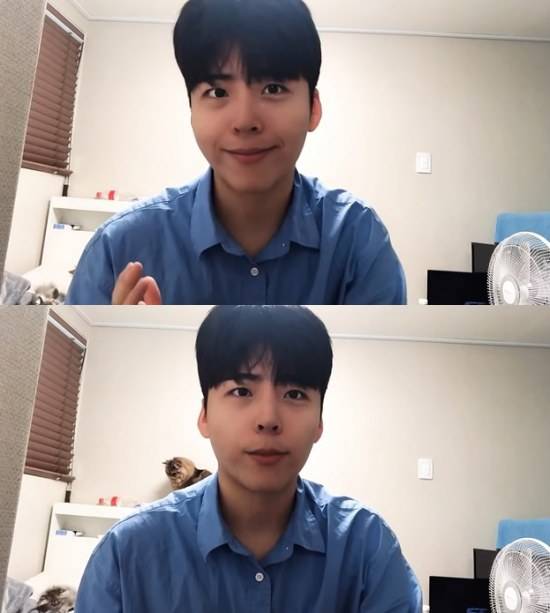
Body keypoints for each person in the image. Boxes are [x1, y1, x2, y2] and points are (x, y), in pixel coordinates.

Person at [75, 306, 421, 612]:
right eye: (241, 391)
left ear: (319, 422)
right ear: (204, 416)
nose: (268, 418)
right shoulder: (127, 553)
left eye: (294, 393)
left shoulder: (367, 547)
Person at [65, 0, 406, 305]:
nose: (244, 121)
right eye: (218, 92)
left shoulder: (358, 240)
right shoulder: (118, 248)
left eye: (273, 88)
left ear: (313, 108)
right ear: (192, 110)